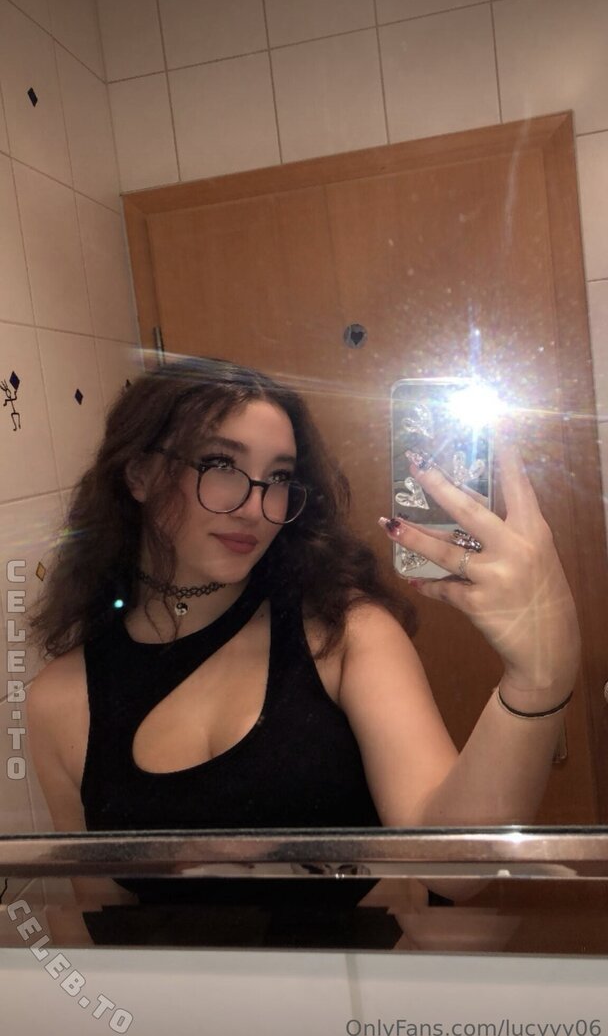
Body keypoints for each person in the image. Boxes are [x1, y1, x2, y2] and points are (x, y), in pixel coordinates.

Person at [25, 355, 580, 946]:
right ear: (139, 473)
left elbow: (452, 867)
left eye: (279, 477)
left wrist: (539, 675)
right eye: (221, 465)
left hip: (360, 996)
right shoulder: (61, 699)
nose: (256, 507)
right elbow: (94, 919)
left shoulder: (344, 634)